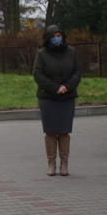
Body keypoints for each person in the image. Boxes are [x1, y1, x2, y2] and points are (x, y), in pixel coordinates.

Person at [32, 25, 82, 176]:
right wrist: (55, 88)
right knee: (51, 132)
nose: (56, 38)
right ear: (48, 38)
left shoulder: (71, 52)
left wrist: (67, 87)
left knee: (64, 132)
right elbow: (37, 74)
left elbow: (77, 71)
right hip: (48, 98)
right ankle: (51, 163)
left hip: (67, 97)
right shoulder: (42, 54)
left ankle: (64, 164)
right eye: (54, 36)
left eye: (59, 35)